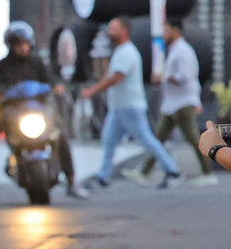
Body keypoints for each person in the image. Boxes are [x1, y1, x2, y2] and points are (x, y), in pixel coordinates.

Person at [0, 20, 86, 198]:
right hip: (16, 111)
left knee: (60, 135)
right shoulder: (1, 67)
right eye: (18, 44)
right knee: (8, 128)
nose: (22, 47)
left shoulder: (37, 63)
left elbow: (51, 79)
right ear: (11, 46)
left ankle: (72, 181)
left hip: (39, 109)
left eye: (25, 43)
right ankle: (14, 160)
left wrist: (56, 87)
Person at [81, 17, 181, 189]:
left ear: (125, 30)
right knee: (109, 139)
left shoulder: (128, 52)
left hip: (130, 106)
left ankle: (172, 170)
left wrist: (93, 90)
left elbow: (116, 77)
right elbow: (109, 75)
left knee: (146, 139)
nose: (111, 32)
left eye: (114, 29)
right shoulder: (119, 52)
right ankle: (104, 175)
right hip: (118, 107)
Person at [138, 18, 214, 184]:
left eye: (167, 31)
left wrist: (163, 77)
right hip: (172, 104)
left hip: (182, 103)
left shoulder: (182, 51)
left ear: (175, 31)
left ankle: (208, 173)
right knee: (159, 138)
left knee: (193, 139)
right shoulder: (175, 50)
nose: (164, 35)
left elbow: (184, 76)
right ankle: (144, 172)